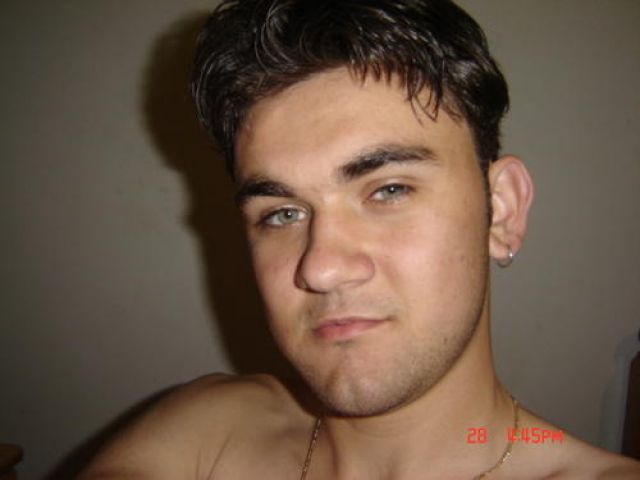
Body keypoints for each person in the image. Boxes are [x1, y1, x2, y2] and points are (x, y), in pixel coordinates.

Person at [79, 1, 640, 478]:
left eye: (389, 190)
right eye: (282, 213)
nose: (321, 268)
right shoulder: (205, 433)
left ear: (502, 211)